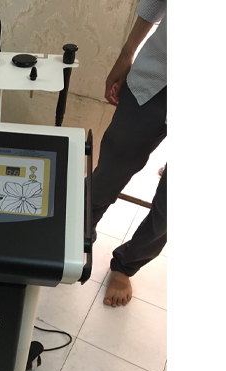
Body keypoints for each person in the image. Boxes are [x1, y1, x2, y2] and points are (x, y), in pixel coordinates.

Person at [92, 0, 167, 307]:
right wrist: (127, 54)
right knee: (110, 170)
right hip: (157, 76)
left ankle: (126, 265)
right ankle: (77, 235)